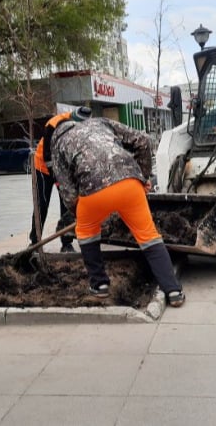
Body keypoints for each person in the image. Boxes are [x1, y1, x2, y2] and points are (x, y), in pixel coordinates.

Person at [50, 116, 185, 307]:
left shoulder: (58, 146)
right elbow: (143, 141)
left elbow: (68, 192)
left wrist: (82, 214)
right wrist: (143, 176)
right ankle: (173, 291)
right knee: (149, 236)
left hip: (92, 191)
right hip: (130, 183)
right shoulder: (100, 122)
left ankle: (99, 285)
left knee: (86, 231)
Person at [29, 108, 91, 252]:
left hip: (64, 168)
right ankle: (35, 242)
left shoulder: (84, 127)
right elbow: (47, 155)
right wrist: (56, 178)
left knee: (67, 204)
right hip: (43, 167)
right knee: (41, 204)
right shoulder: (54, 123)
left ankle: (67, 243)